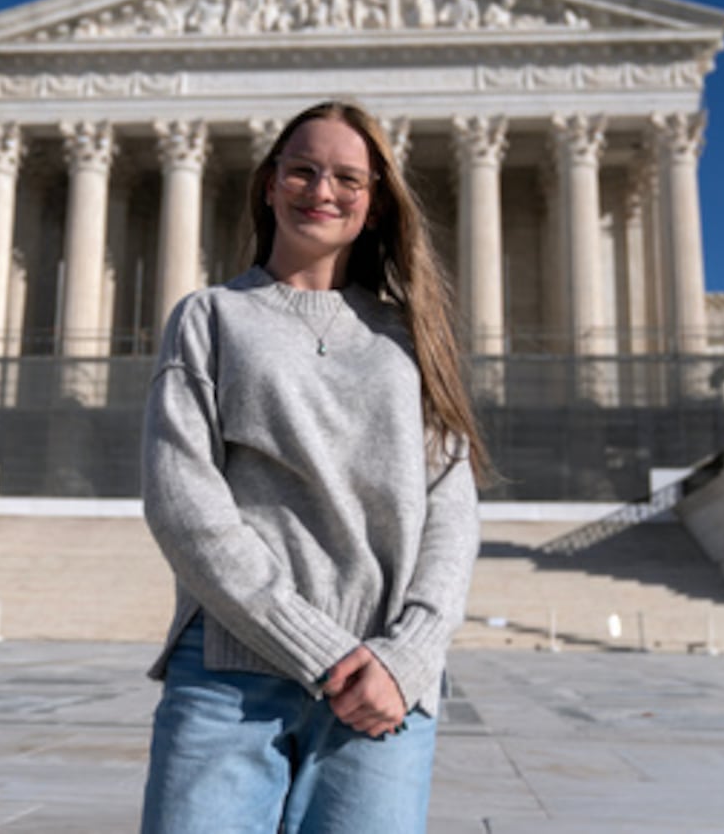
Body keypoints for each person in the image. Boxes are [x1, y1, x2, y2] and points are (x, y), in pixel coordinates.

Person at [139, 100, 487, 832]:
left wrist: (410, 656)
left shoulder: (412, 335)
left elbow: (450, 509)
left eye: (347, 178)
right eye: (301, 170)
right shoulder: (211, 316)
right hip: (234, 666)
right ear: (270, 184)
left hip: (383, 679)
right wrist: (320, 649)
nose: (322, 190)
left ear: (374, 202)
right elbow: (184, 503)